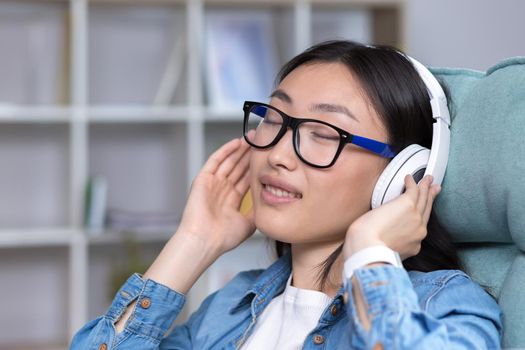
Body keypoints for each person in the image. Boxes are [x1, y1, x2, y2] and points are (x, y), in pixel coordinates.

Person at [70, 40, 502, 349]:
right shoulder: (232, 307)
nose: (277, 153)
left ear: (402, 172)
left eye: (323, 133)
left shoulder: (443, 305)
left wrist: (369, 252)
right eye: (274, 118)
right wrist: (193, 242)